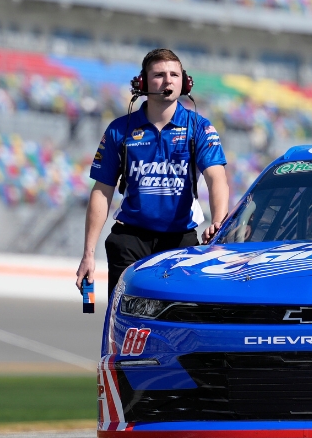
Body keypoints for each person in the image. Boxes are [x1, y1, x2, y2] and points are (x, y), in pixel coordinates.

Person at [75, 49, 230, 298]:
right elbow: (102, 190)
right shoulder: (119, 130)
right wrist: (88, 254)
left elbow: (216, 178)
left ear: (185, 82)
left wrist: (218, 222)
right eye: (159, 75)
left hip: (180, 243)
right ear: (143, 83)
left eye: (174, 74)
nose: (168, 80)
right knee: (122, 317)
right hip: (129, 240)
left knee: (179, 320)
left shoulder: (200, 127)